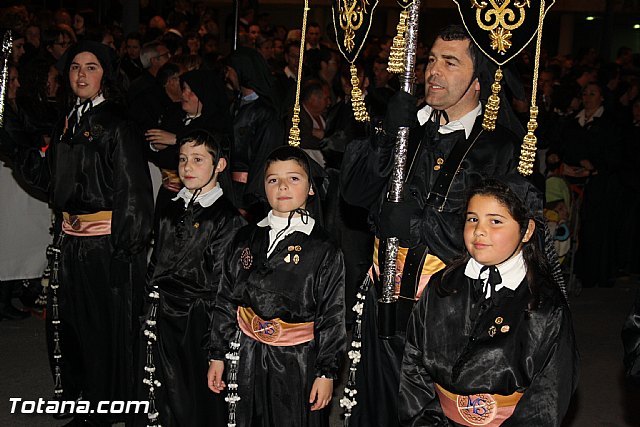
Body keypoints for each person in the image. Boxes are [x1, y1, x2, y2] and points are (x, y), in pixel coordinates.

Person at [340, 24, 523, 426]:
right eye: (431, 60)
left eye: (450, 62)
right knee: (376, 409)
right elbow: (352, 193)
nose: (433, 72)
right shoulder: (408, 129)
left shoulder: (500, 148)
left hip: (446, 315)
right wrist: (388, 133)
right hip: (379, 301)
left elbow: (502, 236)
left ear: (479, 82)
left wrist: (418, 225)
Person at [14, 40, 153, 423]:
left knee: (103, 332)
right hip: (69, 244)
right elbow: (48, 180)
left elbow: (134, 193)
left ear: (105, 74)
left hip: (105, 247)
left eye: (91, 67)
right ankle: (83, 404)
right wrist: (15, 144)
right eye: (75, 67)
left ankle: (103, 411)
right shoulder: (67, 123)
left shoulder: (117, 125)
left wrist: (125, 252)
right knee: (72, 328)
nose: (81, 74)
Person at [399, 176, 579, 426]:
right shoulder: (442, 286)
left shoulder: (544, 307)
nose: (479, 231)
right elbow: (414, 363)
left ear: (526, 231)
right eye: (473, 219)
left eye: (495, 221)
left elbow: (547, 397)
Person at [207, 146, 346, 427]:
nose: (282, 186)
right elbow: (226, 297)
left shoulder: (323, 248)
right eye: (273, 179)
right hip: (245, 353)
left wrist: (326, 373)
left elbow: (333, 314)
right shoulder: (245, 237)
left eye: (293, 178)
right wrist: (217, 354)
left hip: (297, 361)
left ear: (310, 188)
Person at [142, 130, 245, 426]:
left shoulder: (226, 219)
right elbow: (156, 261)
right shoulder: (171, 207)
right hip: (161, 315)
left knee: (194, 397)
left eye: (198, 160)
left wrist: (218, 345)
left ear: (219, 166)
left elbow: (225, 287)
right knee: (158, 391)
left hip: (198, 320)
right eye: (183, 159)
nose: (187, 167)